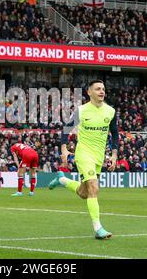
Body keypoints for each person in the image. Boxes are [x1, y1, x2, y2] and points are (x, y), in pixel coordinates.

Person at [49, 79, 118, 240]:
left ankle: (62, 180)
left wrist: (114, 154)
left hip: (99, 156)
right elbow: (66, 129)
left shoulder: (110, 111)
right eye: (98, 89)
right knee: (94, 188)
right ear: (89, 92)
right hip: (84, 154)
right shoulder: (81, 110)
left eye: (103, 89)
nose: (102, 91)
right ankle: (98, 229)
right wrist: (64, 149)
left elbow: (115, 133)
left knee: (84, 193)